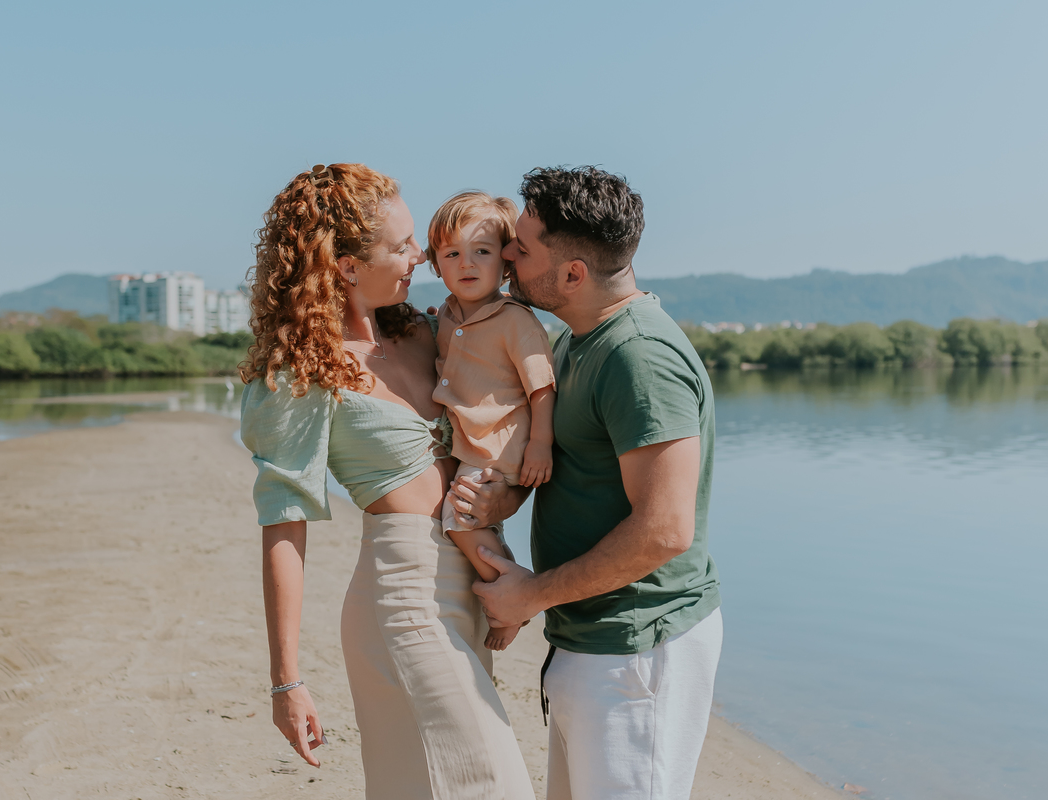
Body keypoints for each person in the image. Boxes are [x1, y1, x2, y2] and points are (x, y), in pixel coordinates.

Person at [240, 164, 535, 799]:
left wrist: (506, 515)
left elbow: (497, 433)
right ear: (345, 267)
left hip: (469, 578)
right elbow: (283, 528)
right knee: (490, 782)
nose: (421, 255)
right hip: (401, 596)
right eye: (401, 245)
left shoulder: (430, 332)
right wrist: (286, 681)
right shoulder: (300, 375)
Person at [460, 166, 723, 800]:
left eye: (521, 250)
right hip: (591, 641)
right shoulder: (578, 342)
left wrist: (531, 596)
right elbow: (575, 463)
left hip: (636, 648)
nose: (508, 260)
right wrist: (511, 494)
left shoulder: (639, 356)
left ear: (573, 273)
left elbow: (664, 530)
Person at [426, 191, 557, 652]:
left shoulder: (514, 320)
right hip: (473, 443)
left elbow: (541, 385)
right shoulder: (442, 315)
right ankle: (506, 583)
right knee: (468, 519)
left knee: (461, 520)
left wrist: (541, 444)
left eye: (481, 251)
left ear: (505, 264)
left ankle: (511, 598)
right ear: (435, 264)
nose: (467, 263)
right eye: (452, 253)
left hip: (502, 443)